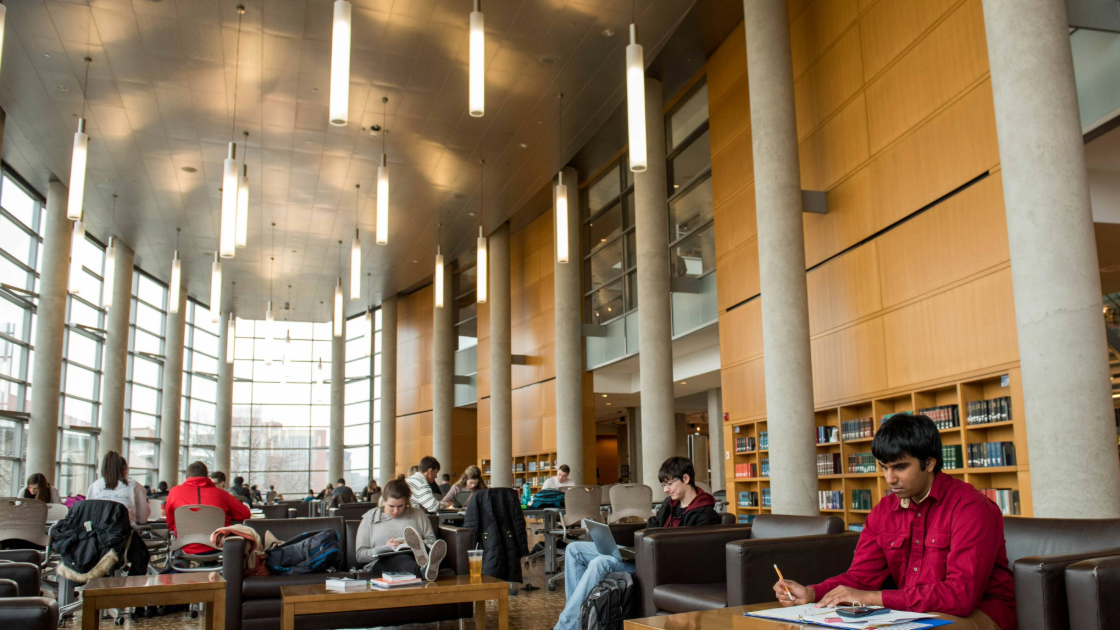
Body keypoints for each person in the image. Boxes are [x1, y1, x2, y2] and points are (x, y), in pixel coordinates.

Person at [773, 414, 1015, 630]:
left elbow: (960, 597)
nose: (890, 479)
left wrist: (871, 598)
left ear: (929, 463)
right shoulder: (883, 511)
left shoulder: (971, 508)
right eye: (884, 467)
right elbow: (861, 578)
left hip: (982, 613)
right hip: (910, 613)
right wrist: (813, 592)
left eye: (900, 467)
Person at [555, 457, 720, 630]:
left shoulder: (704, 515)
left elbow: (690, 555)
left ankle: (564, 626)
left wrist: (649, 548)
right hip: (642, 555)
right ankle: (578, 620)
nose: (665, 490)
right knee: (574, 549)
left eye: (669, 484)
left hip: (659, 566)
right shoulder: (669, 505)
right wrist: (635, 549)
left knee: (601, 563)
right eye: (663, 484)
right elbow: (650, 528)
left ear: (686, 479)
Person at [354, 475, 447, 581]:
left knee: (410, 555)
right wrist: (384, 549)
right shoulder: (370, 518)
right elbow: (360, 555)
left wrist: (408, 544)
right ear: (383, 501)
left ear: (407, 502)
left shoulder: (418, 514)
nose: (396, 511)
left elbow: (432, 541)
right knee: (402, 559)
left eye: (400, 506)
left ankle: (424, 563)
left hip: (413, 556)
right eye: (391, 506)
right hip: (381, 561)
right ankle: (424, 571)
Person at [85, 451, 150, 575]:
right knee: (142, 556)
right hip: (123, 538)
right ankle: (131, 586)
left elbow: (87, 513)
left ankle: (100, 583)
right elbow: (142, 518)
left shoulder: (94, 486)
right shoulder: (134, 486)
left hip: (96, 539)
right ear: (125, 470)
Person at [165, 461, 252, 555]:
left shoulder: (174, 492)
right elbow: (245, 514)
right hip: (218, 545)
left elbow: (170, 524)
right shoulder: (221, 494)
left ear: (186, 477)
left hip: (184, 546)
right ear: (207, 476)